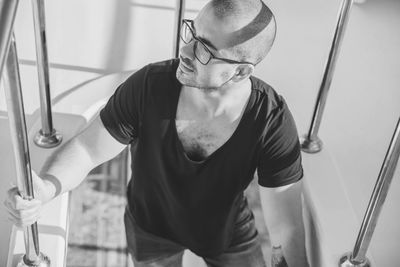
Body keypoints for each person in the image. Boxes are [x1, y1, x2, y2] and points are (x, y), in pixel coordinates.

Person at [4, 0, 309, 266]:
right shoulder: (149, 86)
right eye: (192, 32)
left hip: (226, 233)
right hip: (150, 231)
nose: (185, 50)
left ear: (241, 71)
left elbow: (286, 229)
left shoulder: (271, 122)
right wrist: (45, 189)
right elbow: (88, 149)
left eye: (204, 49)